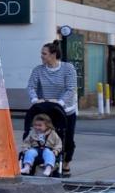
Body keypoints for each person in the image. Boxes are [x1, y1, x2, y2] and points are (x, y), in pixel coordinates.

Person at [27, 41, 78, 176]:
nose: (41, 56)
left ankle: (65, 162)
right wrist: (34, 100)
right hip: (46, 109)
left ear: (53, 55)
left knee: (67, 138)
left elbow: (70, 88)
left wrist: (60, 102)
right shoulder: (38, 70)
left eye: (44, 54)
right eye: (42, 54)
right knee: (44, 137)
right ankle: (46, 161)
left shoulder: (68, 69)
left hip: (65, 109)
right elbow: (31, 86)